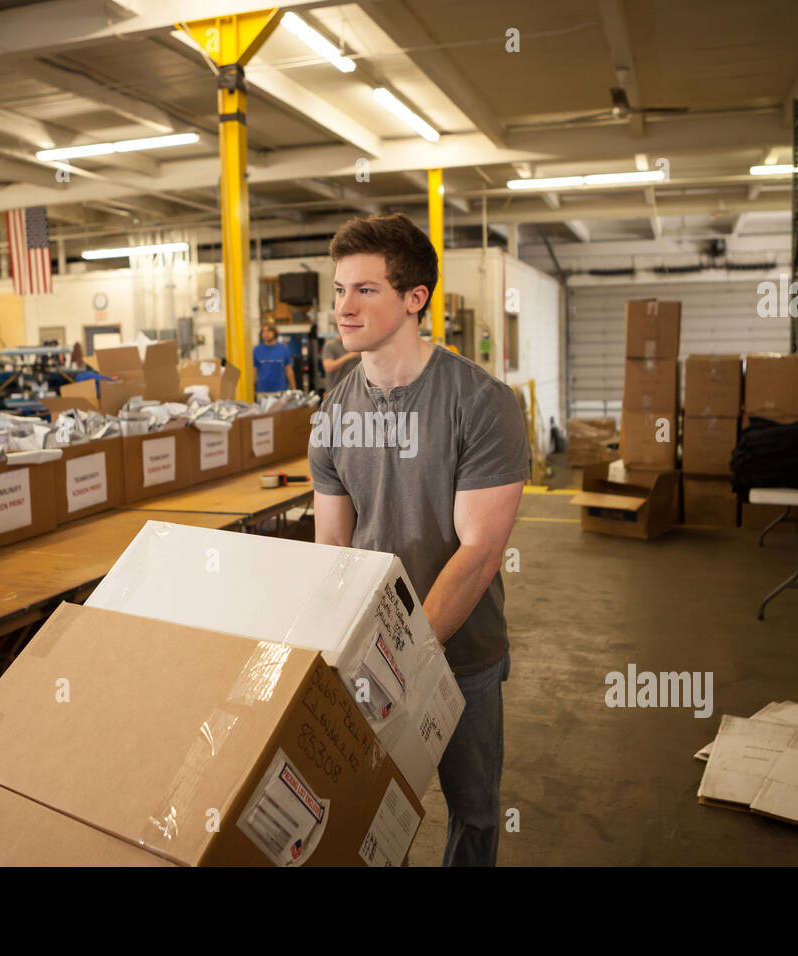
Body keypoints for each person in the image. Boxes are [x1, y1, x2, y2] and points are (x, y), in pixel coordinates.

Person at [308, 213, 529, 867]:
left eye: (365, 290)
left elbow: (481, 550)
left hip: (463, 656)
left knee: (476, 814)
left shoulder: (482, 403)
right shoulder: (332, 412)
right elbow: (332, 545)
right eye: (339, 289)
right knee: (376, 818)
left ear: (414, 298)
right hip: (367, 662)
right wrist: (349, 657)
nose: (344, 307)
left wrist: (406, 661)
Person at [253, 323, 295, 398]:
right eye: (263, 331)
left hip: (280, 392)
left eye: (269, 331)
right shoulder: (256, 350)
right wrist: (252, 390)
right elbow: (254, 372)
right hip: (262, 392)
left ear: (274, 333)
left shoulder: (284, 350)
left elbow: (288, 370)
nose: (266, 333)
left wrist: (294, 389)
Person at [320, 321, 360, 395]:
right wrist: (349, 356)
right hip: (336, 394)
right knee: (337, 407)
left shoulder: (356, 344)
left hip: (354, 393)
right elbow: (328, 367)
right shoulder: (330, 345)